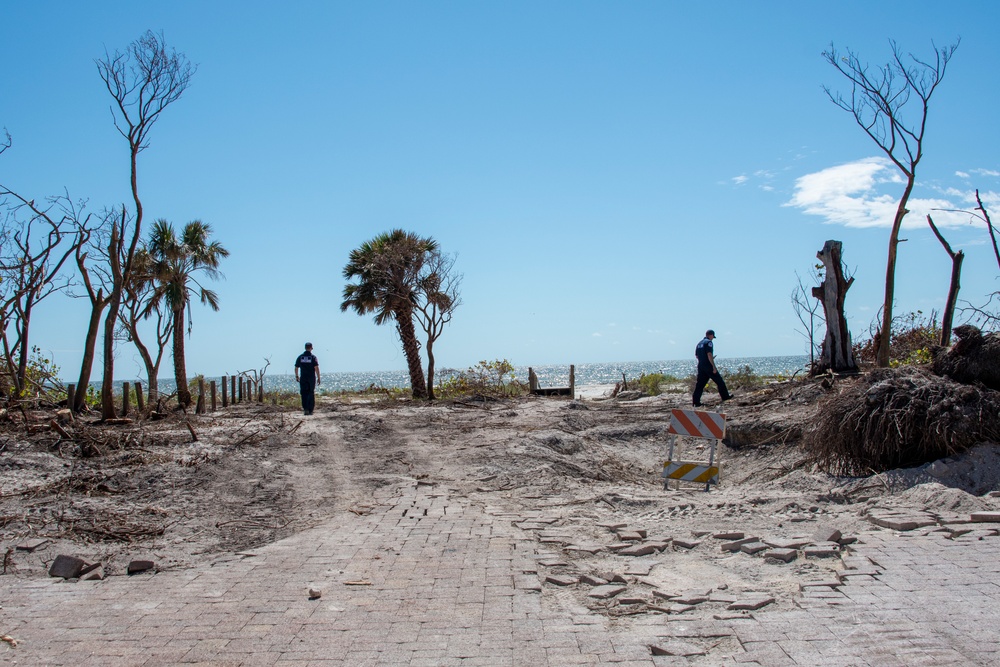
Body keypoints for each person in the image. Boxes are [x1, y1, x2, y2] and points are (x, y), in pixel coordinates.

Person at [693, 329, 733, 407]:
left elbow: (697, 356)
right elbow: (709, 354)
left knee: (700, 385)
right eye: (712, 337)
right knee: (719, 381)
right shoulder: (709, 342)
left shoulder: (699, 344)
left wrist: (702, 361)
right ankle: (725, 396)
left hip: (701, 365)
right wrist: (713, 367)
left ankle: (695, 402)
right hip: (708, 365)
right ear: (711, 335)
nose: (712, 338)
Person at [294, 342, 320, 415]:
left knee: (304, 393)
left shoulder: (300, 357)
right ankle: (310, 409)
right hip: (311, 378)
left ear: (305, 348)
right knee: (311, 393)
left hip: (303, 377)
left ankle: (305, 408)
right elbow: (316, 367)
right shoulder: (313, 357)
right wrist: (318, 377)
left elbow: (296, 367)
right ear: (311, 348)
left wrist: (296, 376)